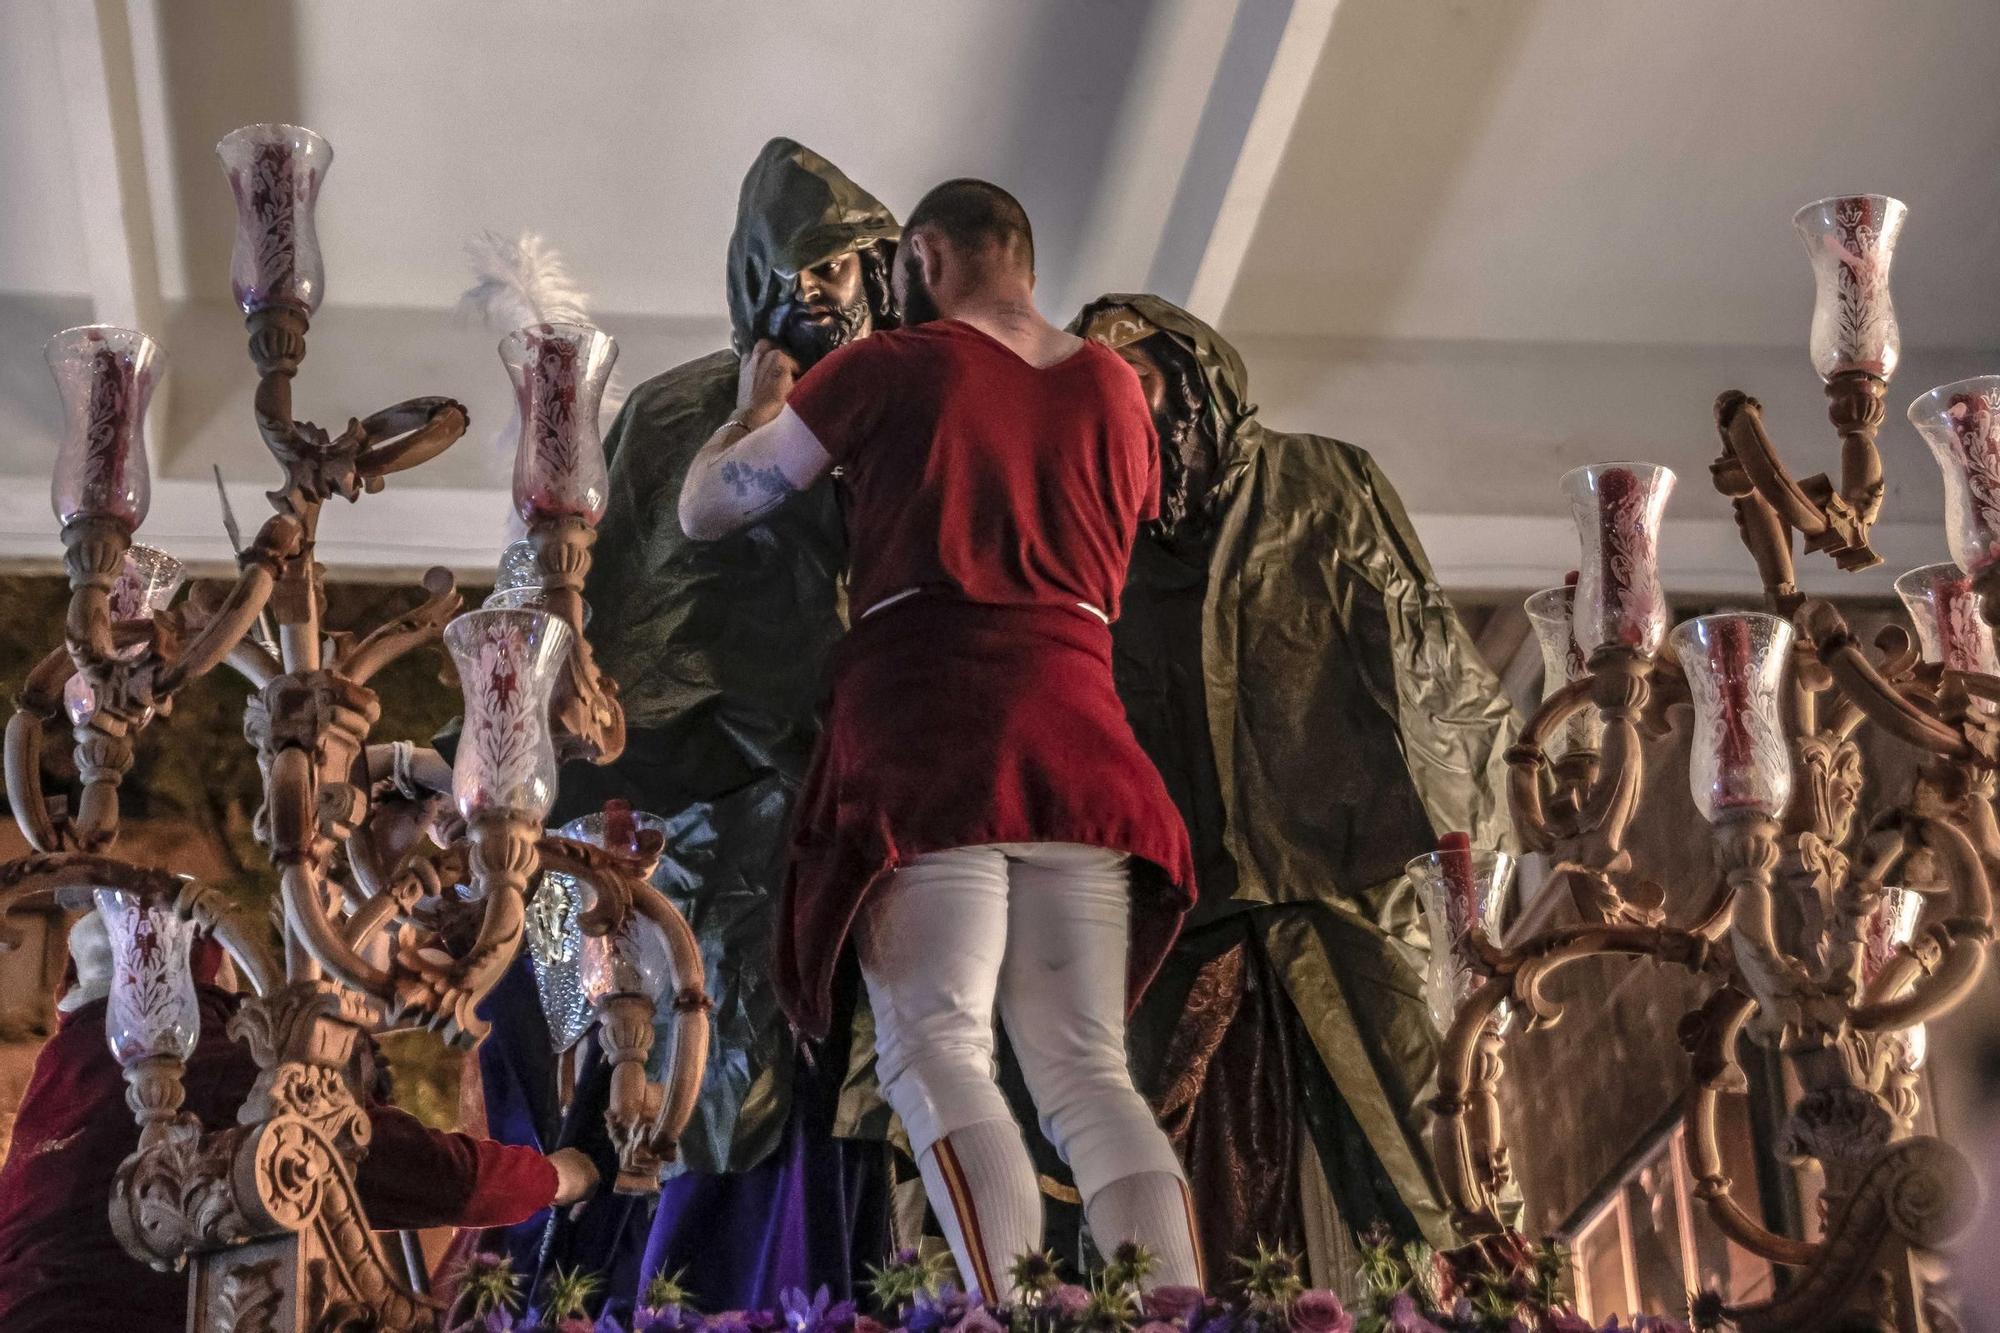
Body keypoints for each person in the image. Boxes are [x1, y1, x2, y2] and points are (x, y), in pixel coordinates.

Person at [678, 179, 1202, 1303]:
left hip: (930, 739)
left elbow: (707, 508)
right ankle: (1174, 1315)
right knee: (1088, 1073)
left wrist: (753, 405)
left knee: (936, 1051)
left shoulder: (892, 366)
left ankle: (1010, 1313)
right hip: (1083, 747)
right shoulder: (1115, 388)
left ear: (924, 253)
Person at [476, 137, 899, 1311]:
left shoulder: (903, 416)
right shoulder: (673, 413)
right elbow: (587, 594)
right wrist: (564, 662)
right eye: (799, 269)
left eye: (842, 270)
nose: (820, 294)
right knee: (662, 1059)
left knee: (842, 1081)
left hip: (851, 804)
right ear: (754, 274)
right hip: (689, 805)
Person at [1061, 294, 1519, 1277]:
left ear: (1188, 379)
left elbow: (1419, 667)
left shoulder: (1317, 479)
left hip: (1344, 871)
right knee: (1169, 1187)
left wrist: (1456, 869)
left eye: (1132, 377)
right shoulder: (1094, 547)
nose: (1118, 406)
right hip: (1184, 911)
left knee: (1430, 1158)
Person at [0, 911, 595, 1333]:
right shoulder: (201, 1058)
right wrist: (559, 1177)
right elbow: (414, 1169)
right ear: (207, 976)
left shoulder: (56, 1083)